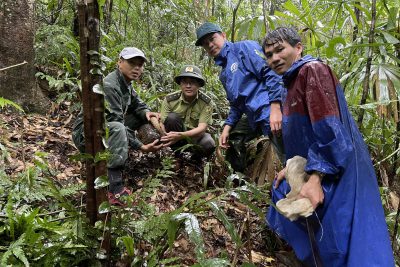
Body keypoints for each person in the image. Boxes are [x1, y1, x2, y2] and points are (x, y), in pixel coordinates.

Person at [263, 27, 394, 266]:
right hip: (317, 165)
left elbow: (329, 128)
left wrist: (316, 176)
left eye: (280, 50)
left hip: (337, 166)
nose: (274, 58)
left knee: (345, 236)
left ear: (298, 47)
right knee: (321, 229)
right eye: (269, 55)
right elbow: (303, 133)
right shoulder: (289, 82)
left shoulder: (312, 71)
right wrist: (291, 168)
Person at [72, 47, 163, 206]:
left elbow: (137, 104)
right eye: (132, 63)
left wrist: (147, 113)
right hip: (85, 135)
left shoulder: (126, 83)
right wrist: (141, 147)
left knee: (134, 118)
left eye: (140, 65)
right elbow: (116, 124)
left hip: (103, 128)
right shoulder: (110, 85)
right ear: (119, 62)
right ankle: (114, 188)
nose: (136, 68)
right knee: (118, 128)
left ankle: (120, 160)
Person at [195, 22, 284, 173]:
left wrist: (276, 108)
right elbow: (236, 104)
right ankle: (239, 180)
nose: (210, 45)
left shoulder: (244, 48)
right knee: (234, 135)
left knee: (288, 154)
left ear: (223, 35)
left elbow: (271, 72)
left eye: (212, 38)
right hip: (253, 116)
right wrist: (226, 128)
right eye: (205, 43)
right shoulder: (224, 74)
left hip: (270, 110)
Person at [160, 65, 215, 160]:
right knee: (172, 118)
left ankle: (194, 160)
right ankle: (175, 156)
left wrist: (181, 135)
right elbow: (163, 123)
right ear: (180, 84)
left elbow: (202, 128)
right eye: (185, 82)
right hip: (174, 136)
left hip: (195, 137)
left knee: (208, 143)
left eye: (192, 82)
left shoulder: (206, 102)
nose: (188, 86)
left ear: (199, 84)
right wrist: (167, 136)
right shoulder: (170, 99)